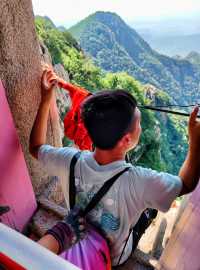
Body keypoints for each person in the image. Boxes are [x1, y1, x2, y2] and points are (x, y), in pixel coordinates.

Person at [30, 67, 200, 266]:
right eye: (139, 125)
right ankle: (149, 213)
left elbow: (36, 147)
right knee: (148, 212)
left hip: (77, 230)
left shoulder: (70, 159)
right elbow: (186, 184)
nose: (141, 128)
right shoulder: (141, 181)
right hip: (114, 256)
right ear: (127, 140)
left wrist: (45, 99)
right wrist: (195, 143)